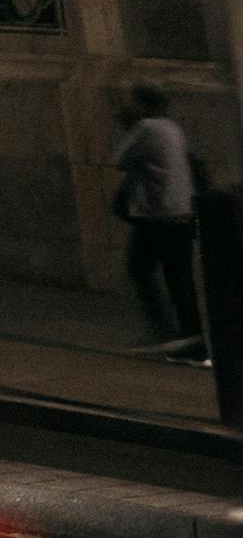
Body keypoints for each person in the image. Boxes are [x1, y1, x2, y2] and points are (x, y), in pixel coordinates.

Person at [110, 90, 205, 357]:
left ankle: (163, 331)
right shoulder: (173, 128)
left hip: (157, 217)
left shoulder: (145, 127)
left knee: (139, 267)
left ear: (142, 104)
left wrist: (127, 125)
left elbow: (119, 159)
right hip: (182, 213)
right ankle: (192, 336)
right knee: (180, 278)